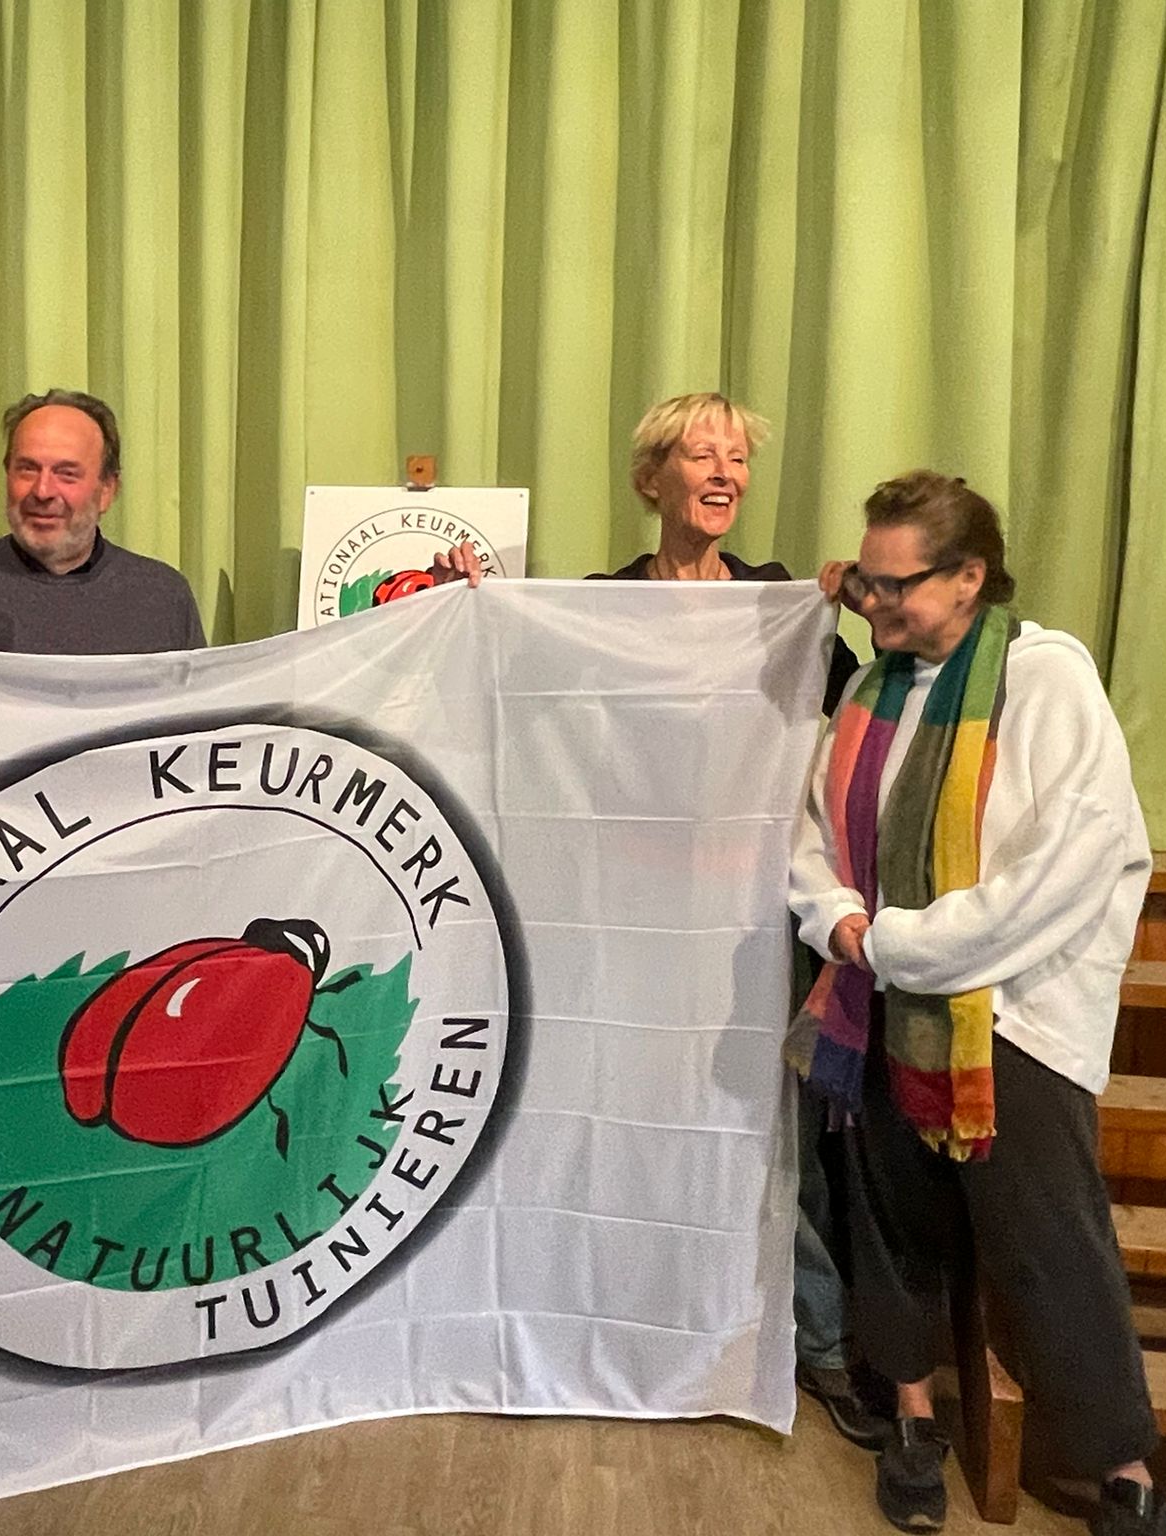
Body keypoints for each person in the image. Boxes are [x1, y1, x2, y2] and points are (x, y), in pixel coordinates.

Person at [436, 392, 874, 1446]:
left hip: (747, 915)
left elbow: (854, 705)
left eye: (737, 458)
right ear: (652, 480)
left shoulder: (776, 600)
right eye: (699, 454)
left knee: (769, 1126)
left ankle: (814, 1342)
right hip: (628, 915)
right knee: (622, 1107)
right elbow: (521, 690)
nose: (722, 473)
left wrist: (848, 607)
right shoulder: (605, 604)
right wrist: (475, 607)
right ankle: (613, 1309)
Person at [788, 472, 1166, 1536]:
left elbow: (1068, 866)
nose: (873, 602)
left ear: (967, 578)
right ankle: (911, 1416)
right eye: (865, 581)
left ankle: (1120, 1463)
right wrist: (837, 919)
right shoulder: (872, 691)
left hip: (1009, 1016)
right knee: (889, 1220)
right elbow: (810, 832)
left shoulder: (1044, 681)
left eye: (894, 584)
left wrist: (899, 945)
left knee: (1049, 1244)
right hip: (880, 1001)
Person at [0, 388, 204, 654]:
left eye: (66, 474)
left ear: (107, 490)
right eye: (27, 469)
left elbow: (196, 707)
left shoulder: (163, 596)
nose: (42, 491)